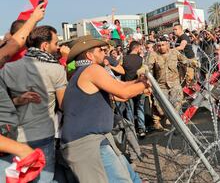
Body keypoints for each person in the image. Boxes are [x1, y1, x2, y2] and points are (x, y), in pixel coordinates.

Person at [60, 35, 149, 182]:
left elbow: (120, 88)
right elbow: (123, 93)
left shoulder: (83, 71)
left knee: (132, 177)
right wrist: (144, 84)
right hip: (88, 143)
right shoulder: (91, 70)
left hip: (97, 139)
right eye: (101, 50)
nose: (104, 53)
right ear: (89, 55)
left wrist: (138, 83)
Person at [1, 25, 67, 182]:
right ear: (45, 45)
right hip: (43, 135)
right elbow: (64, 104)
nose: (58, 47)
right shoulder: (56, 69)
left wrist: (17, 100)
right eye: (56, 43)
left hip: (14, 138)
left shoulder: (8, 68)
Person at [147, 36, 197, 129]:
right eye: (159, 45)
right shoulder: (153, 55)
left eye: (163, 45)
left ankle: (177, 126)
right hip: (161, 85)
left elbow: (185, 61)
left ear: (167, 45)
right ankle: (158, 121)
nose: (161, 47)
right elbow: (148, 68)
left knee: (177, 104)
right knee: (160, 107)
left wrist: (193, 63)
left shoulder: (174, 53)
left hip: (174, 83)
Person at [122, 41, 147, 137]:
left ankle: (131, 131)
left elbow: (121, 72)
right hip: (139, 87)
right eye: (140, 48)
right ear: (136, 48)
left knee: (129, 110)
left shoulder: (124, 59)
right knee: (140, 108)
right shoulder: (141, 59)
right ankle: (141, 129)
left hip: (128, 87)